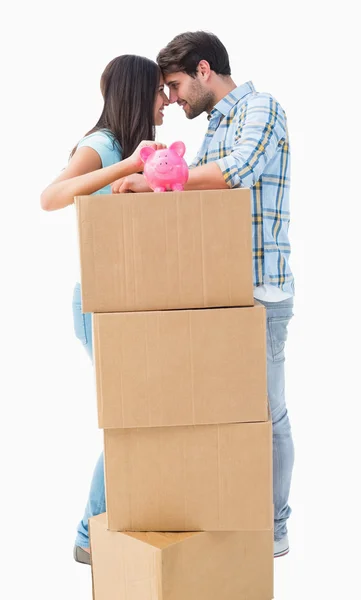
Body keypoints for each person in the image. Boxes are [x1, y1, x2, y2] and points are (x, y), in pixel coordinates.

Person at [113, 32, 295, 559]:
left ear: (204, 69)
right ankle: (228, 511)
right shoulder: (216, 127)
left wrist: (155, 184)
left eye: (174, 86)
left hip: (260, 289)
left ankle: (274, 525)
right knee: (218, 411)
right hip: (218, 289)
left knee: (266, 412)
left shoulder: (262, 109)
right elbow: (192, 196)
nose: (172, 100)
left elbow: (234, 174)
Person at [40, 54, 169, 565]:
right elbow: (50, 198)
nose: (167, 101)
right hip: (101, 303)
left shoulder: (134, 147)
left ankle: (110, 525)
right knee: (132, 420)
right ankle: (89, 535)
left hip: (129, 301)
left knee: (147, 414)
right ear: (139, 93)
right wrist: (129, 164)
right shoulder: (103, 145)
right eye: (160, 91)